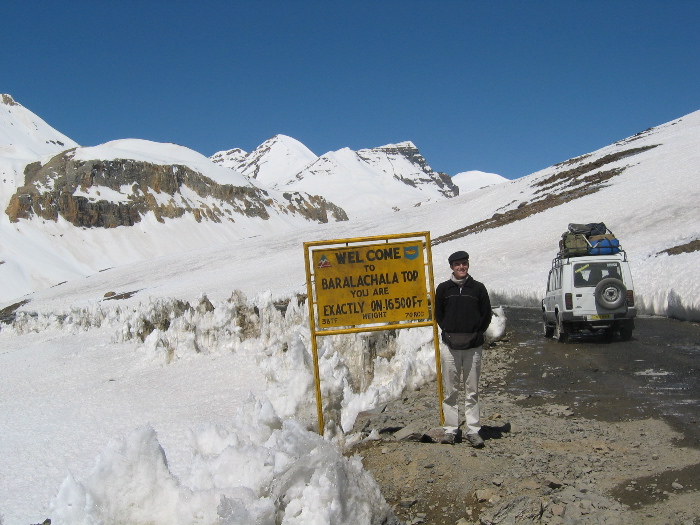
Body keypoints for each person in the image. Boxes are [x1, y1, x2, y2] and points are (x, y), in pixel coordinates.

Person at [435, 250, 493, 448]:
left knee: (472, 390)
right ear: (451, 267)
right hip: (450, 346)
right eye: (457, 264)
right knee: (450, 390)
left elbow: (486, 315)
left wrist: (477, 334)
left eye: (464, 263)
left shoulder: (478, 289)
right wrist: (449, 332)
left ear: (468, 265)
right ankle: (451, 430)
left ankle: (473, 430)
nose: (461, 267)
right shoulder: (443, 289)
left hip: (473, 347)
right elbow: (439, 314)